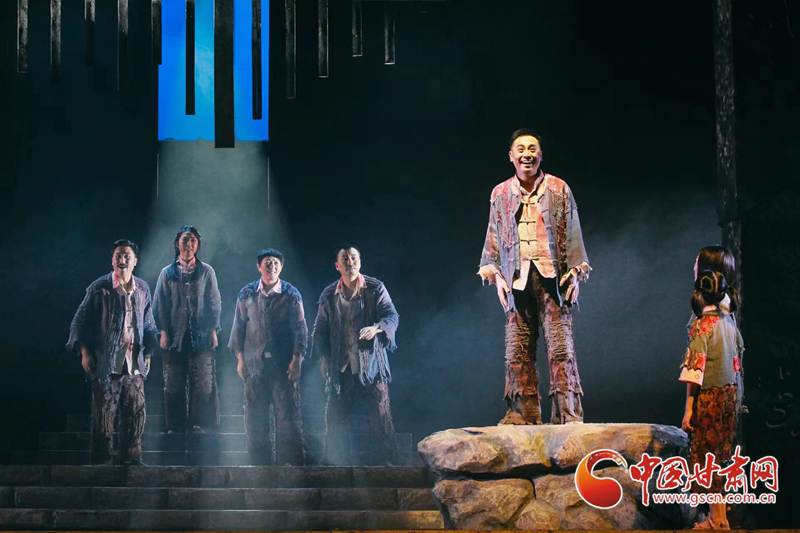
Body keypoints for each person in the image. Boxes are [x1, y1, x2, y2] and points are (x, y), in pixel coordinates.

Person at [478, 128, 591, 425]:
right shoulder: (500, 193)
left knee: (561, 348)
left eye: (532, 149)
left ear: (540, 155)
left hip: (553, 278)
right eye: (521, 149)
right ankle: (522, 415)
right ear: (511, 156)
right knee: (517, 350)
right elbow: (493, 234)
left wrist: (575, 271)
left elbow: (573, 229)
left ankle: (567, 414)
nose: (526, 154)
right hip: (516, 280)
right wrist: (496, 275)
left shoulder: (558, 188)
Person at [66, 239, 158, 465]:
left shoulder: (143, 288)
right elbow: (79, 322)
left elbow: (148, 323)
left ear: (135, 261)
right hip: (107, 363)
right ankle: (101, 464)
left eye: (127, 256)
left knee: (136, 415)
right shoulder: (100, 288)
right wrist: (85, 352)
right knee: (104, 417)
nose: (122, 260)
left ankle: (131, 462)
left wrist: (148, 353)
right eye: (118, 256)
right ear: (112, 260)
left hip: (134, 363)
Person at [311, 246, 400, 465]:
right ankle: (334, 460)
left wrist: (376, 328)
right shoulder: (329, 294)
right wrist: (324, 359)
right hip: (341, 363)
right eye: (345, 259)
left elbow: (392, 316)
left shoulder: (375, 288)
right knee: (336, 415)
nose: (349, 262)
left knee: (379, 413)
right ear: (337, 265)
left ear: (359, 262)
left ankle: (386, 461)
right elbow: (320, 329)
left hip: (371, 363)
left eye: (353, 258)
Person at [680, 263, 744, 530]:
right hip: (729, 394)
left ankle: (717, 520)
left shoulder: (703, 326)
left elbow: (695, 371)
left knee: (708, 455)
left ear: (699, 294)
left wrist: (688, 409)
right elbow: (738, 357)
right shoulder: (728, 321)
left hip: (710, 396)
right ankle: (720, 517)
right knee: (721, 454)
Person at [228, 249, 307, 465]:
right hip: (255, 364)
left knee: (287, 415)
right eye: (267, 263)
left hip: (283, 364)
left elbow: (300, 329)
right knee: (255, 417)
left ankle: (289, 464)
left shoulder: (291, 294)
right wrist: (240, 359)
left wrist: (297, 359)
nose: (271, 266)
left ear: (281, 267)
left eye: (275, 263)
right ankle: (259, 465)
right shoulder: (247, 293)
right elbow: (239, 328)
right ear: (259, 267)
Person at [153, 226, 221, 434]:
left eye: (193, 240)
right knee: (173, 383)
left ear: (197, 245)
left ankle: (198, 423)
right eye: (185, 240)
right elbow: (159, 304)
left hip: (200, 334)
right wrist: (163, 331)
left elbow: (214, 302)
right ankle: (175, 426)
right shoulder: (167, 273)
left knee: (203, 382)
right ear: (177, 243)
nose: (189, 244)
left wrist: (213, 329)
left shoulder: (206, 271)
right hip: (174, 335)